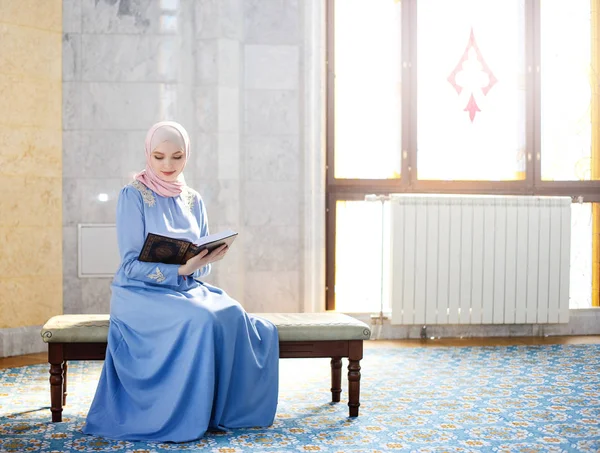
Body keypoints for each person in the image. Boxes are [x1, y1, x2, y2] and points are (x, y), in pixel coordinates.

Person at [82, 121, 279, 442]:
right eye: (159, 157)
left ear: (187, 155)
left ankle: (221, 412)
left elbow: (197, 265)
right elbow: (130, 265)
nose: (168, 166)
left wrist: (205, 260)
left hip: (186, 288)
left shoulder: (193, 199)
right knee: (199, 319)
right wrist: (180, 271)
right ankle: (183, 414)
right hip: (138, 294)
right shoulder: (132, 195)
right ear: (148, 153)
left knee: (231, 313)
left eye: (177, 157)